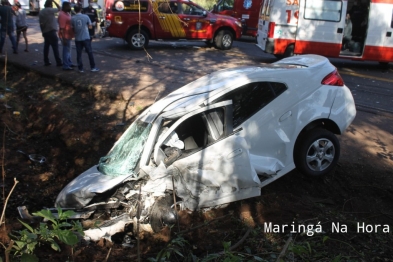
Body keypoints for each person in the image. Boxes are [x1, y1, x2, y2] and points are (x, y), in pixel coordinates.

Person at [71, 4, 99, 73]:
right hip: (86, 37)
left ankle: (80, 68)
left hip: (78, 38)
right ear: (80, 9)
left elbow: (72, 29)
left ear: (74, 10)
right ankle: (93, 67)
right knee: (89, 53)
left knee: (79, 54)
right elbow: (90, 26)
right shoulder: (85, 16)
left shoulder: (72, 18)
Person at [39, 0, 62, 66]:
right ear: (50, 5)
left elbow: (40, 23)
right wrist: (54, 1)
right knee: (55, 47)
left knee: (46, 47)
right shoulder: (50, 10)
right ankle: (58, 61)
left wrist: (42, 31)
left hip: (45, 31)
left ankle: (46, 61)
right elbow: (59, 8)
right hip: (52, 31)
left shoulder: (41, 12)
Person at [58, 1, 75, 70]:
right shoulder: (62, 15)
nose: (70, 7)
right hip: (65, 36)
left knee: (69, 50)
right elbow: (61, 28)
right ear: (65, 6)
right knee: (66, 51)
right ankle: (65, 65)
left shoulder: (67, 13)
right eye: (69, 6)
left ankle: (69, 62)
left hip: (69, 35)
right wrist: (64, 39)